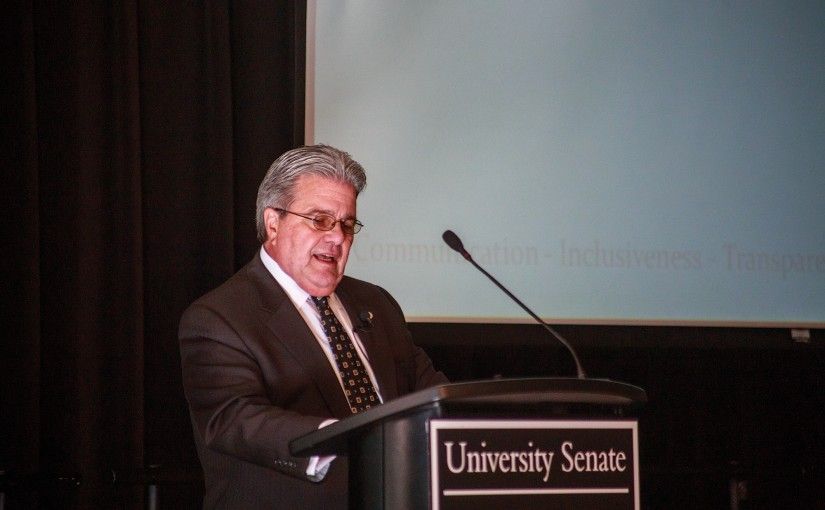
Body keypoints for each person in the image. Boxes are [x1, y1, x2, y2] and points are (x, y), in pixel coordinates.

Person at [179, 144, 448, 509]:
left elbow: (431, 392)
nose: (337, 237)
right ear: (273, 223)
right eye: (320, 220)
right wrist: (343, 440)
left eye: (347, 224)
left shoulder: (377, 304)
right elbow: (234, 419)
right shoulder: (220, 317)